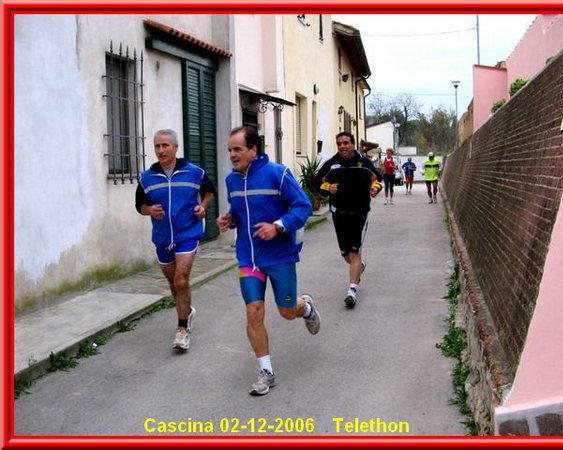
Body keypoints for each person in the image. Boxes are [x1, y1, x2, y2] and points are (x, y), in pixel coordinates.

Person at [216, 126, 320, 396]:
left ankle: (306, 307)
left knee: (287, 312)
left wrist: (278, 226)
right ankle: (266, 372)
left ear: (253, 150)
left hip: (279, 255)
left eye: (237, 149)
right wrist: (230, 219)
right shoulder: (231, 180)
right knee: (254, 311)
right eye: (229, 150)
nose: (232, 155)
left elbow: (303, 206)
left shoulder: (277, 174)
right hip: (248, 257)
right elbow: (239, 211)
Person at [136, 129, 216, 352]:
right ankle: (187, 311)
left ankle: (182, 330)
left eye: (165, 145)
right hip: (162, 237)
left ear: (175, 148)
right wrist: (149, 210)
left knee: (181, 280)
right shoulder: (146, 178)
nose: (161, 150)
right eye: (157, 146)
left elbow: (210, 192)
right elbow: (139, 205)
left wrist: (203, 207)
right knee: (174, 284)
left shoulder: (195, 173)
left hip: (187, 233)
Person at [314, 131, 383, 309]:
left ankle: (352, 291)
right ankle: (359, 266)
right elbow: (316, 183)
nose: (342, 146)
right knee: (346, 254)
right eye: (339, 144)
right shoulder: (331, 164)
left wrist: (375, 188)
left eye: (346, 143)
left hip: (360, 213)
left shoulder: (364, 163)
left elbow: (377, 179)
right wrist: (328, 188)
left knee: (354, 251)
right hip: (339, 214)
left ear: (353, 144)